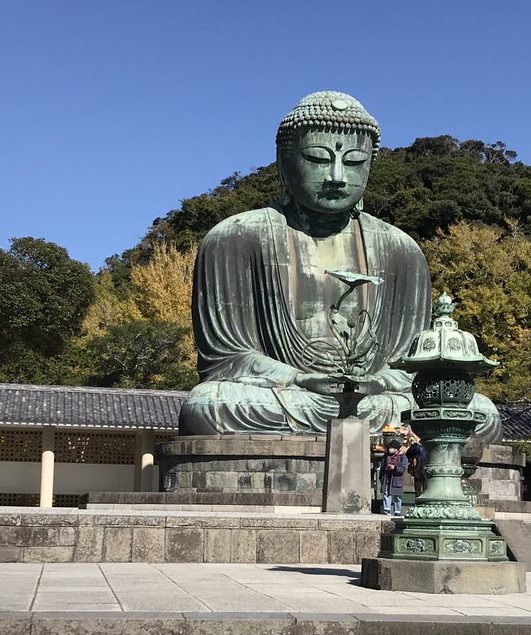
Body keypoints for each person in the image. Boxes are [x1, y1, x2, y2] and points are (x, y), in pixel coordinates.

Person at [178, 91, 502, 442]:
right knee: (208, 404)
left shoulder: (401, 250)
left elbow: (409, 366)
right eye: (318, 158)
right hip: (288, 394)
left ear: (369, 167)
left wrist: (375, 383)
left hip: (376, 400)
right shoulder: (235, 237)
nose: (336, 176)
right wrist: (297, 378)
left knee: (481, 412)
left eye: (353, 162)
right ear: (284, 163)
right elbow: (225, 361)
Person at [380, 439, 409, 516]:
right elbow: (382, 467)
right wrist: (381, 477)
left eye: (393, 447)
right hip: (387, 477)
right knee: (386, 494)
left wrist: (395, 468)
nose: (391, 449)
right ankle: (387, 510)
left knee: (397, 496)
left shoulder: (402, 457)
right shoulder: (386, 456)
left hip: (396, 479)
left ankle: (397, 511)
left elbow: (403, 468)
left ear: (397, 449)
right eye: (390, 447)